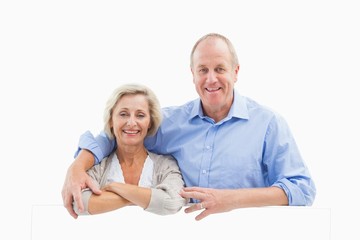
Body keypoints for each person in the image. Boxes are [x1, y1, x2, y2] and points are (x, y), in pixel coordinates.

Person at [62, 33, 316, 221]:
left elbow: (302, 189)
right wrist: (78, 166)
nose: (211, 79)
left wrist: (232, 199)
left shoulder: (268, 124)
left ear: (236, 72)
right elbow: (121, 133)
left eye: (220, 69)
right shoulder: (171, 122)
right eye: (203, 70)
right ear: (192, 75)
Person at [70, 83, 187, 216]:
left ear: (150, 123)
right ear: (111, 121)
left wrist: (114, 188)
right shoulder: (98, 166)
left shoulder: (166, 164)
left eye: (140, 115)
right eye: (123, 114)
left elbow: (171, 202)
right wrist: (141, 197)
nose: (131, 123)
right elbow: (80, 203)